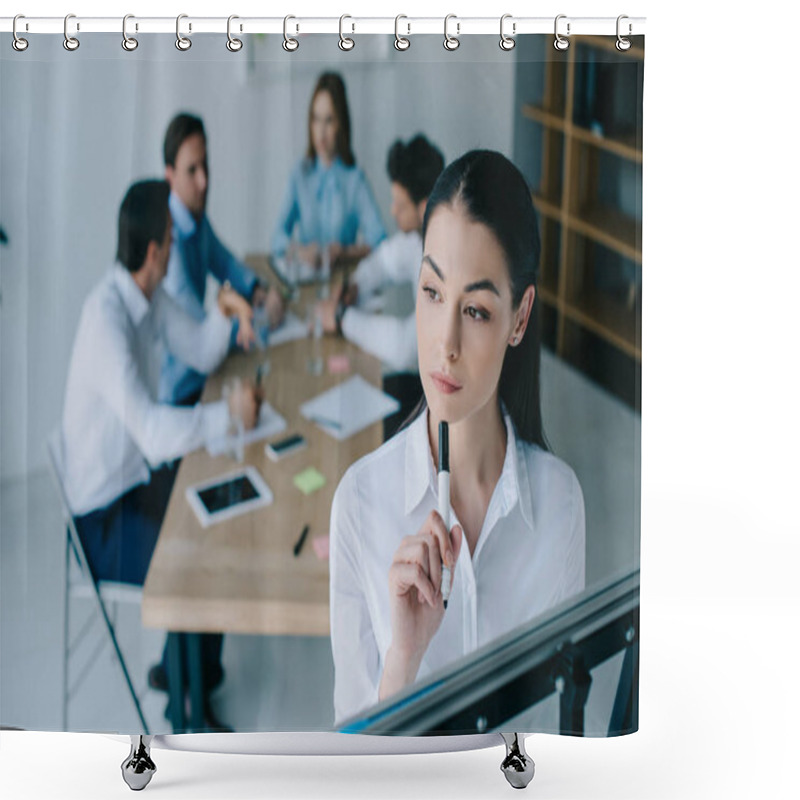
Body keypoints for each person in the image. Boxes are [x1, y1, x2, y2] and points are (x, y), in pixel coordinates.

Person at [329, 151, 586, 724]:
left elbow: (561, 736)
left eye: (474, 310)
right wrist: (404, 658)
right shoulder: (359, 504)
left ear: (519, 319)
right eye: (431, 293)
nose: (444, 342)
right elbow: (349, 764)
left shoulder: (561, 505)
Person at [61, 180, 260, 731]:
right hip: (99, 521)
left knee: (214, 512)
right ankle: (187, 713)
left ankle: (187, 670)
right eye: (171, 240)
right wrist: (228, 417)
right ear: (155, 251)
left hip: (132, 482)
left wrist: (223, 309)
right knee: (193, 556)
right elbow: (151, 433)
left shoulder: (145, 295)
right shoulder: (106, 320)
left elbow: (197, 346)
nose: (176, 250)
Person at [160, 112, 286, 406]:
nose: (203, 181)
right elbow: (205, 333)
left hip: (209, 377)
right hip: (183, 395)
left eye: (205, 166)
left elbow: (227, 263)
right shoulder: (169, 244)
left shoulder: (196, 219)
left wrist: (258, 291)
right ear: (170, 176)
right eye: (192, 170)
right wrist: (260, 317)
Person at [271, 72, 386, 268]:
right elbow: (277, 239)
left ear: (341, 123)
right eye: (316, 119)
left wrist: (345, 253)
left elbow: (380, 239)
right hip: (306, 284)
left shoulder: (354, 179)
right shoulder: (300, 174)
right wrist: (301, 251)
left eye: (329, 120)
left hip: (344, 287)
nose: (321, 132)